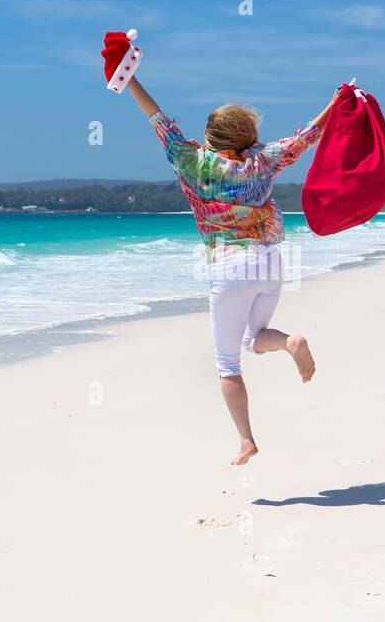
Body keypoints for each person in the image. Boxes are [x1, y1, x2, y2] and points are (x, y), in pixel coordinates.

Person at [124, 74, 339, 465]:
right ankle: (290, 342)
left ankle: (246, 441)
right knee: (253, 338)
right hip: (273, 260)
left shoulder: (191, 160)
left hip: (230, 266)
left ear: (212, 137)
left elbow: (156, 117)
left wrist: (129, 77)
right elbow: (306, 137)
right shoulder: (264, 160)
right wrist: (337, 101)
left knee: (228, 364)